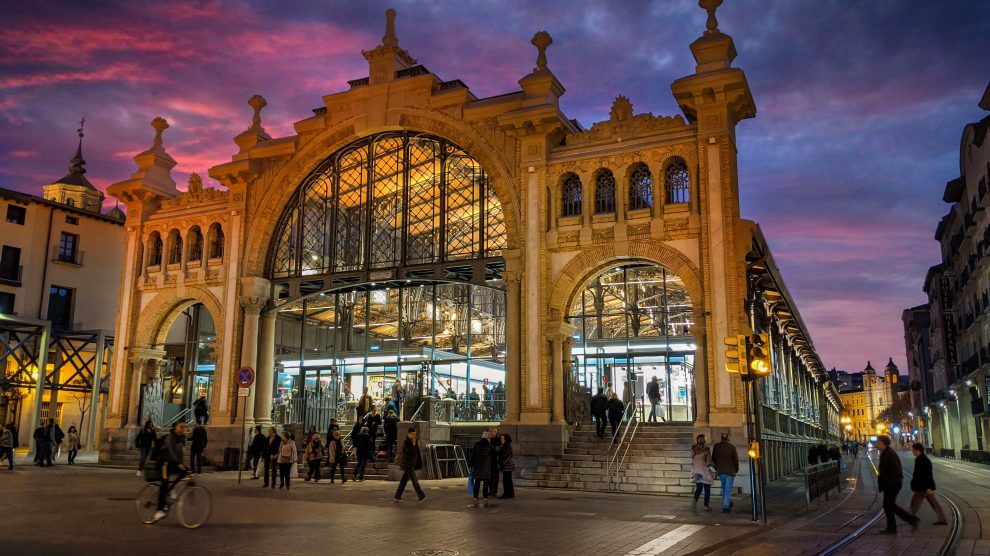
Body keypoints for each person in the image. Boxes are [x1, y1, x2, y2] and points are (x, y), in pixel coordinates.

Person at [876, 434, 919, 534]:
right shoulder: (885, 453)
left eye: (878, 442)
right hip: (891, 483)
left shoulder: (888, 454)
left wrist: (887, 481)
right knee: (889, 505)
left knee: (889, 505)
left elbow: (894, 470)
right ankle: (893, 527)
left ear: (883, 443)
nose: (876, 444)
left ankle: (909, 521)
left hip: (892, 484)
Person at [151, 421, 189, 523]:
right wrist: (178, 463)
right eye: (181, 426)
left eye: (184, 427)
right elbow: (172, 450)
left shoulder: (182, 438)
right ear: (176, 427)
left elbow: (181, 452)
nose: (183, 428)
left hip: (172, 462)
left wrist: (183, 464)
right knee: (164, 484)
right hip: (163, 462)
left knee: (186, 472)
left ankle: (171, 489)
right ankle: (159, 510)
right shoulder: (170, 437)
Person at [909, 443, 948, 525]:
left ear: (918, 451)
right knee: (933, 503)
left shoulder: (923, 460)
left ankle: (910, 517)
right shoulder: (920, 459)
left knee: (915, 502)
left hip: (923, 487)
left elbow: (927, 475)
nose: (912, 452)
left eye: (913, 450)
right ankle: (942, 519)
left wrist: (929, 487)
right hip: (923, 486)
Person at [393, 428, 427, 503]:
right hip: (408, 464)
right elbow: (411, 452)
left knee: (404, 481)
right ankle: (421, 496)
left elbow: (417, 453)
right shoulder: (406, 443)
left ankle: (397, 496)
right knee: (415, 481)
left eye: (415, 434)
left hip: (412, 464)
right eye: (412, 434)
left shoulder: (414, 442)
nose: (414, 436)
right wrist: (414, 445)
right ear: (408, 434)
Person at [711, 433, 738, 512]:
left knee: (724, 488)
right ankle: (726, 507)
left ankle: (727, 503)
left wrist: (716, 468)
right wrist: (736, 469)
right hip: (730, 471)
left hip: (721, 470)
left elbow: (714, 458)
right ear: (728, 439)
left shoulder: (716, 446)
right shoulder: (732, 447)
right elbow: (735, 460)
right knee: (728, 489)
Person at [690, 434, 714, 512]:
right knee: (707, 488)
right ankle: (706, 505)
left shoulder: (693, 448)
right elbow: (709, 462)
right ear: (704, 440)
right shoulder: (706, 449)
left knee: (699, 488)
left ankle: (694, 503)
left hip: (696, 471)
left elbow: (693, 459)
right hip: (704, 471)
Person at [470, 432, 493, 507]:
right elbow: (492, 455)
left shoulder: (477, 444)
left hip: (478, 465)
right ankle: (485, 497)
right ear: (487, 438)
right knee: (486, 483)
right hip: (486, 466)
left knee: (477, 482)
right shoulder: (489, 445)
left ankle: (475, 497)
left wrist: (470, 464)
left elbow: (473, 455)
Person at [497, 433, 516, 499]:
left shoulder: (507, 446)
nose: (501, 439)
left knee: (506, 480)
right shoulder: (505, 445)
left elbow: (505, 456)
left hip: (507, 465)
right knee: (508, 480)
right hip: (507, 465)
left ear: (505, 439)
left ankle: (506, 494)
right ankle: (510, 493)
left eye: (502, 438)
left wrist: (500, 461)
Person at [488, 426, 501, 497]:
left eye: (491, 431)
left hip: (495, 461)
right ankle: (490, 491)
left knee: (495, 477)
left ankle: (494, 491)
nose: (490, 433)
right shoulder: (488, 439)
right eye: (489, 431)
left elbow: (498, 450)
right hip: (489, 461)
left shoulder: (498, 440)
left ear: (495, 432)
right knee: (489, 477)